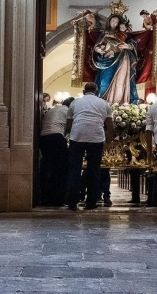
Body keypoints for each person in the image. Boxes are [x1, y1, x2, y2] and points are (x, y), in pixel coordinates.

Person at [66, 83, 114, 211]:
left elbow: (69, 124)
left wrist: (71, 137)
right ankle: (91, 202)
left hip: (77, 136)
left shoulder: (75, 103)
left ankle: (72, 202)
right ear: (97, 92)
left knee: (74, 170)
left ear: (83, 91)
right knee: (94, 170)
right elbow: (110, 125)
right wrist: (108, 141)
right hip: (96, 137)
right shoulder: (103, 103)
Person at [39, 97, 72, 206]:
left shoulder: (52, 109)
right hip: (56, 137)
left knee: (48, 167)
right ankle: (59, 199)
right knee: (62, 169)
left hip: (43, 138)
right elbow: (69, 126)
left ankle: (45, 198)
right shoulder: (68, 111)